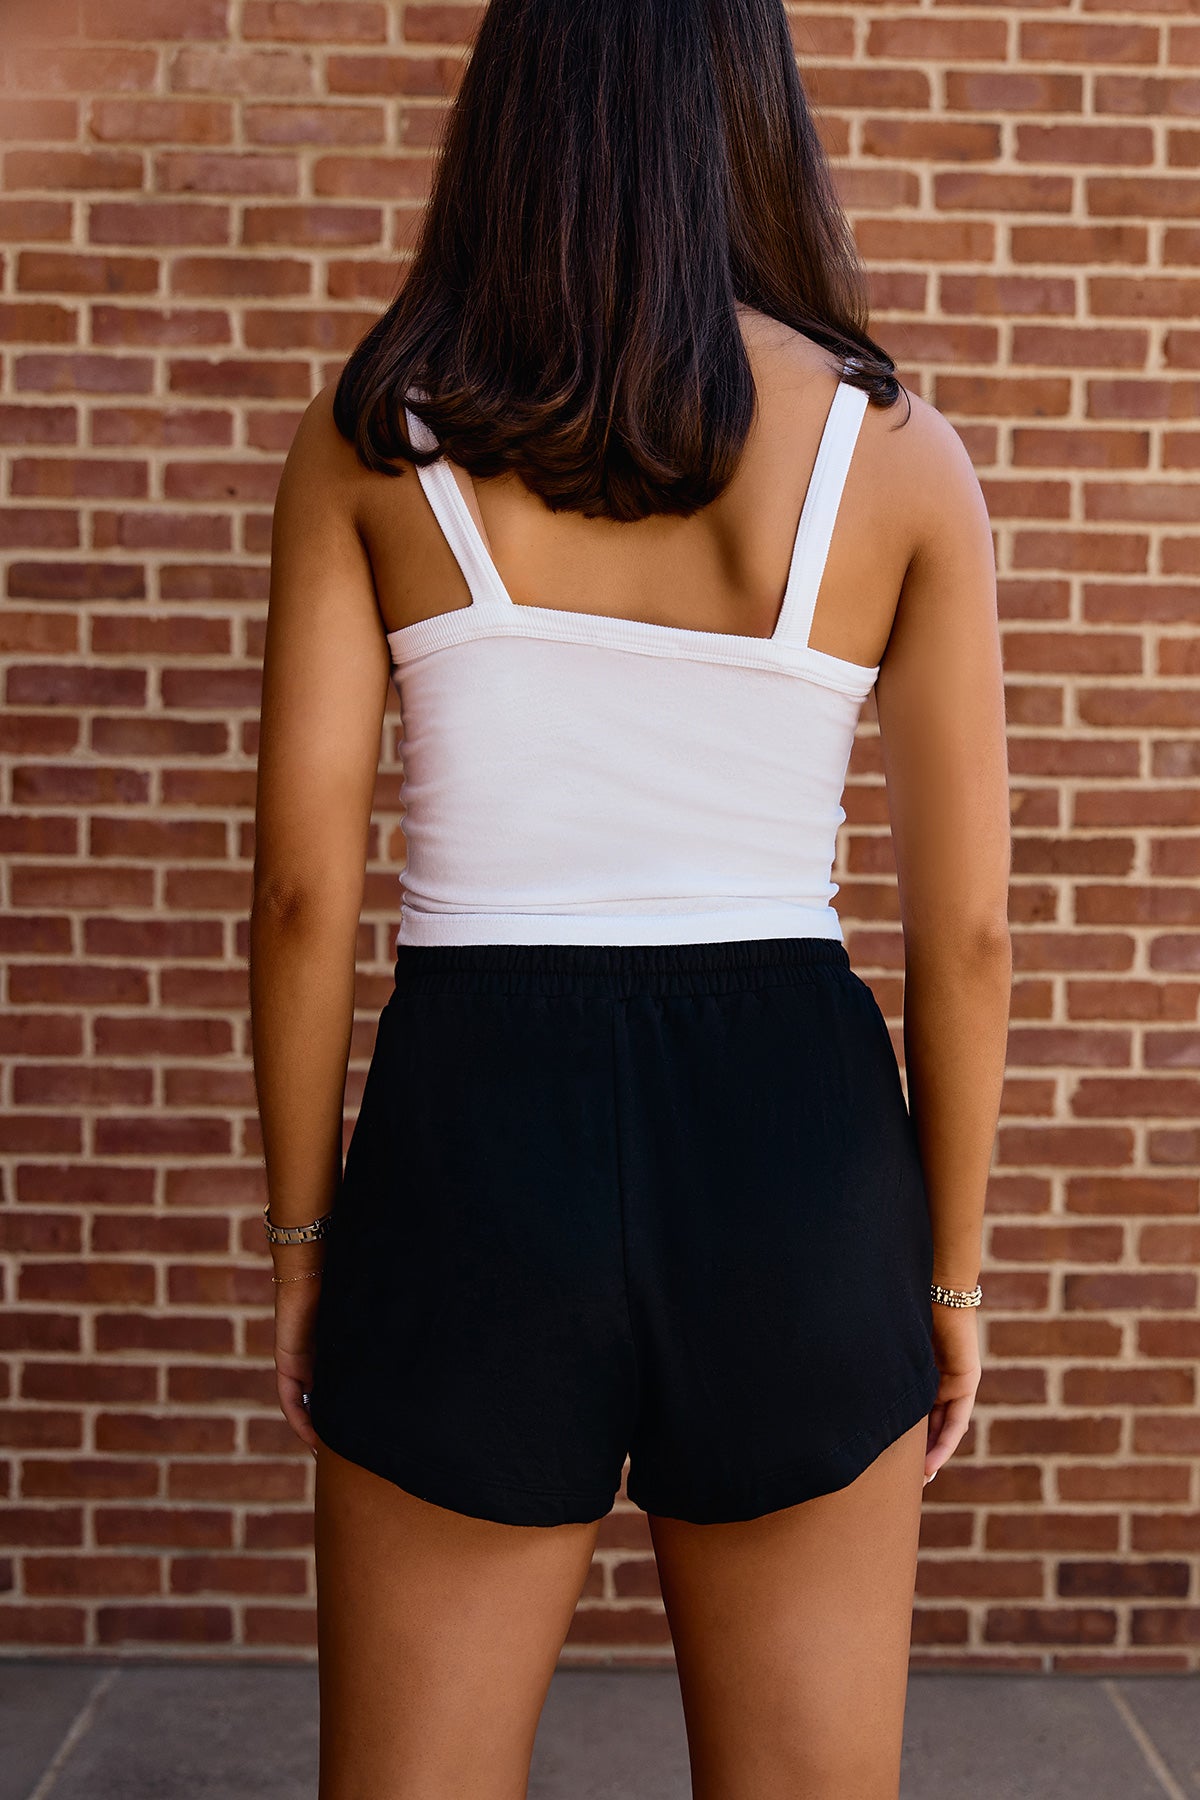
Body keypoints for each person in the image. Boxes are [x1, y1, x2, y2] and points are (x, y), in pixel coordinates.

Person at [249, 0, 1011, 1793]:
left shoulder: (375, 435)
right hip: (794, 1143)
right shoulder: (896, 457)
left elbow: (299, 896)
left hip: (469, 1131)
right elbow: (967, 935)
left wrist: (304, 1247)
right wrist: (952, 1278)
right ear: (755, 114)